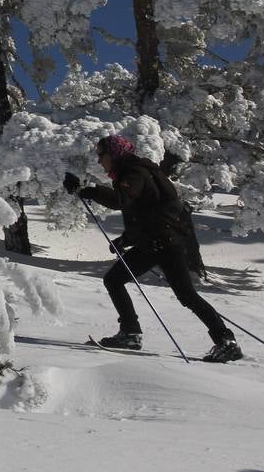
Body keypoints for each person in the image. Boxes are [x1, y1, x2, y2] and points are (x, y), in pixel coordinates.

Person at [64, 134, 242, 363]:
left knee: (186, 295)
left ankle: (226, 342)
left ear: (114, 153)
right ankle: (130, 333)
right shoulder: (132, 172)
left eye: (102, 155)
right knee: (114, 280)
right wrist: (126, 239)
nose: (99, 161)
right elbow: (146, 211)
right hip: (153, 242)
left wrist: (86, 189)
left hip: (167, 243)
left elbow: (121, 200)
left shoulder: (135, 172)